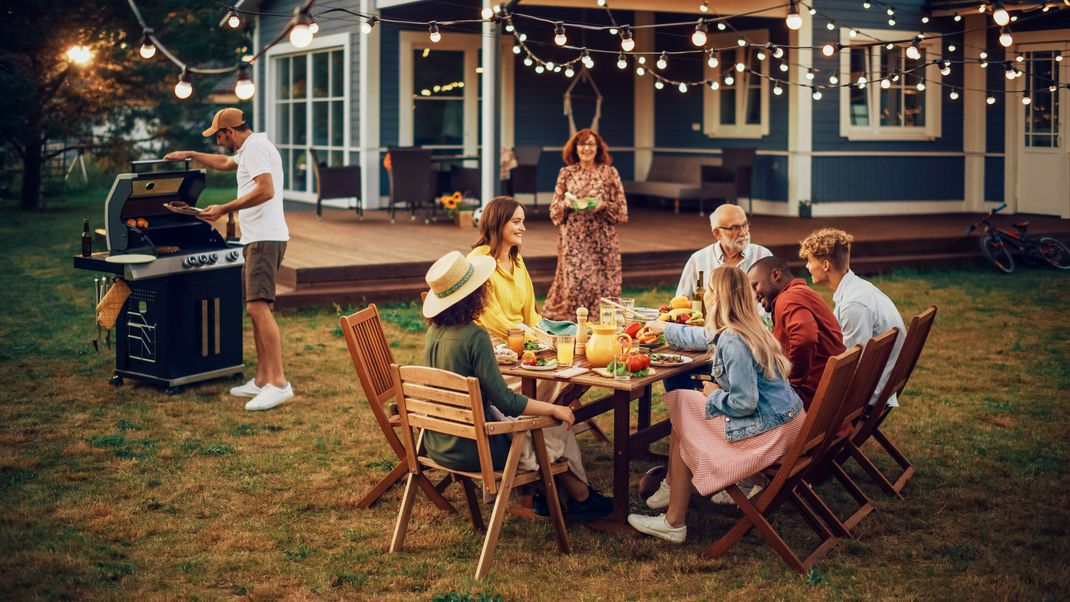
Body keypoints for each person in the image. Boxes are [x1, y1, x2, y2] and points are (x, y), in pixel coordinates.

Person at [421, 251, 612, 520]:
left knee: (542, 428)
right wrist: (554, 410)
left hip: (438, 443)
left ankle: (557, 497)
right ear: (475, 294)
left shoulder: (433, 334)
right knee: (554, 427)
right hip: (477, 450)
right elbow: (506, 401)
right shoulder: (475, 336)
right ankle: (580, 499)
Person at [628, 266, 806, 543]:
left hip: (768, 435)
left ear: (719, 296)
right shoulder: (748, 327)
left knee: (685, 415)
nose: (706, 295)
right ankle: (673, 485)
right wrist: (667, 329)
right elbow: (706, 337)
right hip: (789, 424)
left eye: (710, 290)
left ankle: (674, 521)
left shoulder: (734, 341)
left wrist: (714, 394)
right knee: (683, 406)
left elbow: (744, 402)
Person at [164, 108, 292, 411]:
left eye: (218, 136)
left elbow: (266, 190)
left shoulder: (256, 148)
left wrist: (225, 208)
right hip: (257, 238)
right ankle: (262, 380)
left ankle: (279, 383)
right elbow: (224, 162)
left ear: (230, 132)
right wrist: (192, 154)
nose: (218, 142)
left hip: (264, 239)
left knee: (258, 308)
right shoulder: (251, 148)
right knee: (255, 309)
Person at [799, 228, 906, 407]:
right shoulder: (858, 289)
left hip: (868, 392)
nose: (807, 267)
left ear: (825, 265)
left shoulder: (853, 305)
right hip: (881, 380)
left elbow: (852, 363)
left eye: (810, 261)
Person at [542, 129, 629, 320]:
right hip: (574, 238)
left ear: (598, 148)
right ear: (575, 148)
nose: (586, 148)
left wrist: (603, 205)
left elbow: (622, 211)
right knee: (575, 284)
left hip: (602, 241)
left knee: (603, 286)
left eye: (590, 144)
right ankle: (573, 327)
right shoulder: (566, 173)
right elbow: (554, 212)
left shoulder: (609, 173)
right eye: (581, 144)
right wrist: (565, 204)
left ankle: (600, 329)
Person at [747, 256, 846, 408]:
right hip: (832, 394)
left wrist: (792, 382)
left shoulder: (788, 298)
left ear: (775, 275)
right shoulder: (801, 292)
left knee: (740, 401)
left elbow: (805, 337)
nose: (754, 296)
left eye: (755, 286)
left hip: (812, 399)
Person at [675, 204, 772, 299]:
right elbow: (681, 301)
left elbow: (773, 302)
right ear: (717, 233)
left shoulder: (763, 256)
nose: (744, 233)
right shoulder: (698, 260)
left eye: (745, 225)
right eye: (734, 228)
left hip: (755, 316)